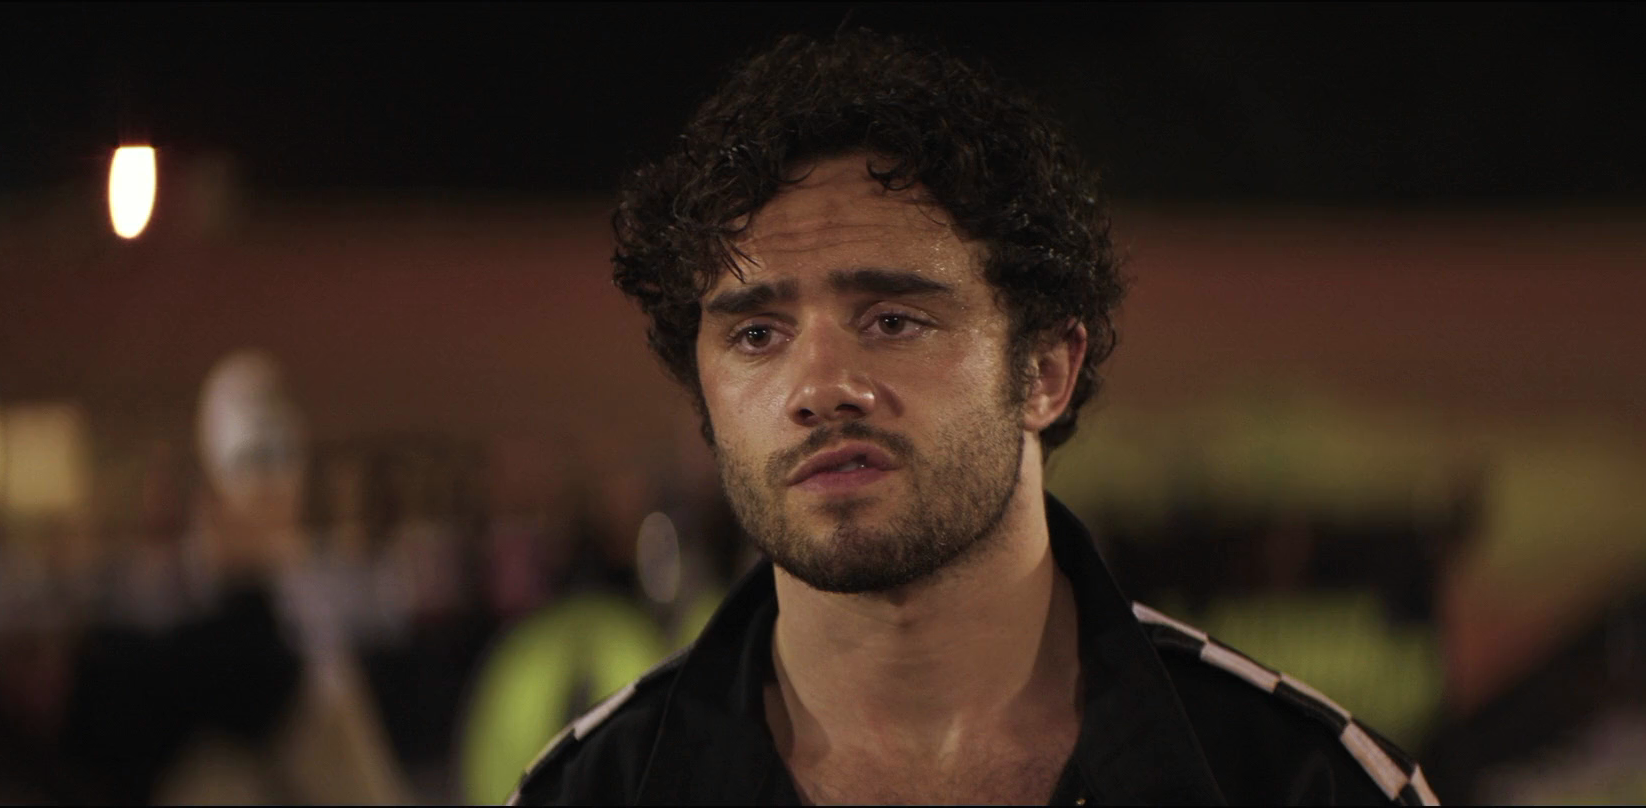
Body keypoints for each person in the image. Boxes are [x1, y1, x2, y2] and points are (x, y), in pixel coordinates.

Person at [510, 32, 1437, 806]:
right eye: (757, 334)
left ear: (1045, 371)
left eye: (892, 320)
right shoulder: (588, 793)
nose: (819, 386)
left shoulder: (1305, 783)